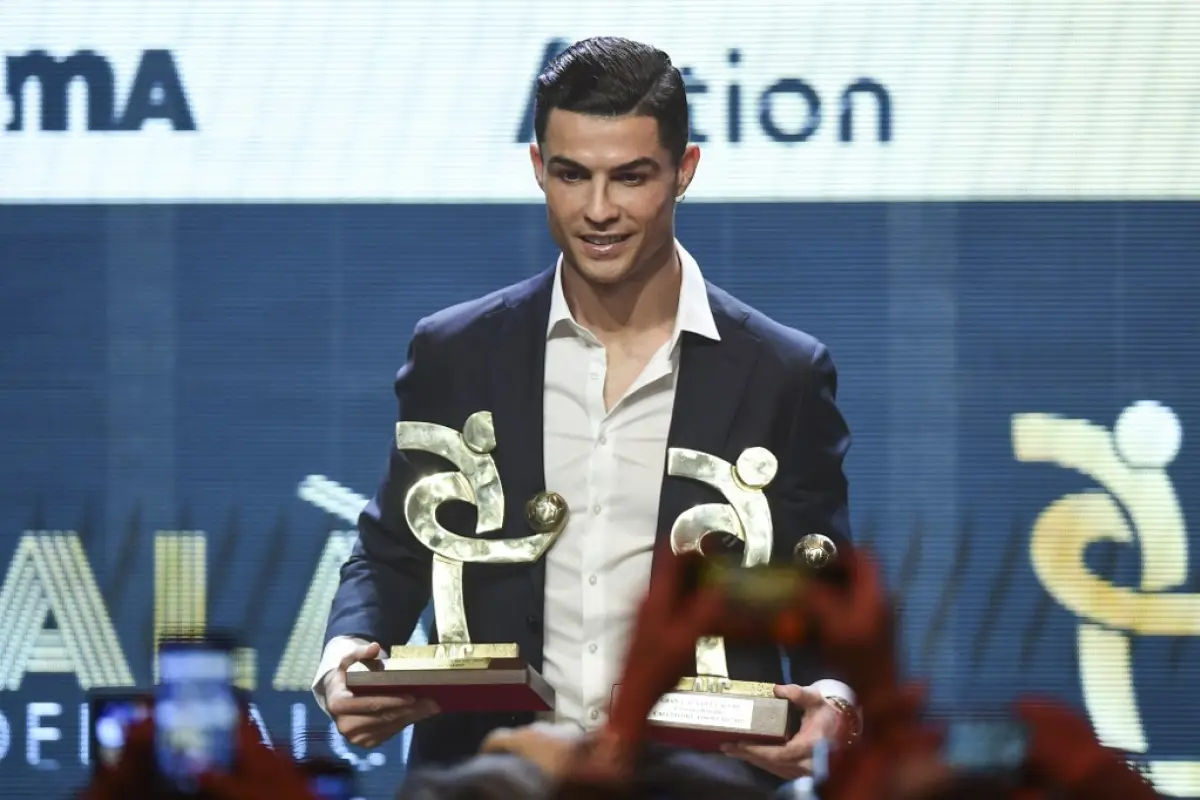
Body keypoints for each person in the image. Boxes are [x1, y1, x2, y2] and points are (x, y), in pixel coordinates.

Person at [313, 35, 858, 780]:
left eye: (630, 178)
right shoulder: (456, 353)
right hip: (489, 781)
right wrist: (346, 655)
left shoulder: (782, 373)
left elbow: (818, 593)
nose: (598, 210)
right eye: (572, 175)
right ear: (540, 169)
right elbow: (392, 552)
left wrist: (835, 701)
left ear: (683, 171)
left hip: (699, 784)